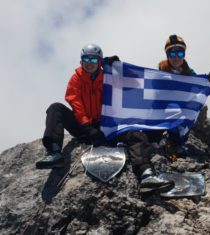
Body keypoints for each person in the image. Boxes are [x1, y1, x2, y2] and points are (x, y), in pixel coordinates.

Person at [36, 43, 173, 194]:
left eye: (94, 60)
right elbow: (75, 102)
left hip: (107, 125)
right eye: (86, 59)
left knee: (134, 134)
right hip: (84, 127)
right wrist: (87, 127)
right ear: (81, 61)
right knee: (56, 108)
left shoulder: (109, 76)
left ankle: (146, 174)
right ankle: (54, 152)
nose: (89, 63)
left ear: (100, 62)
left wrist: (119, 68)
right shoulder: (76, 79)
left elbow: (135, 84)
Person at [158, 34, 210, 158]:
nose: (176, 58)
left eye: (180, 54)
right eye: (172, 54)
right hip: (162, 111)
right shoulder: (160, 72)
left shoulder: (190, 74)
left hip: (180, 113)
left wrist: (209, 80)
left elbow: (197, 89)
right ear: (167, 56)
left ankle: (175, 141)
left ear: (184, 55)